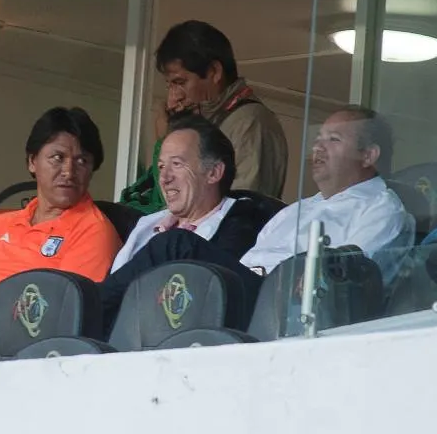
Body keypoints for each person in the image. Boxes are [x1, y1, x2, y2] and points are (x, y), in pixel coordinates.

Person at [103, 105, 409, 312]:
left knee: (177, 243)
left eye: (333, 140)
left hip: (281, 304)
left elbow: (348, 280)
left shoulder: (382, 210)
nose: (317, 148)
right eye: (318, 139)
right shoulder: (297, 209)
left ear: (369, 155)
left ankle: (93, 304)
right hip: (248, 292)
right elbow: (250, 261)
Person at [0, 107, 121, 302]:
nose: (69, 171)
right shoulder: (2, 224)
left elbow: (62, 315)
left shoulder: (94, 231)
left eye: (82, 161)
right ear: (32, 162)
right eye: (57, 158)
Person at [120, 21, 289, 211]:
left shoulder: (250, 123)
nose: (173, 99)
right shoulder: (215, 122)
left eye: (180, 82)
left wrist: (166, 142)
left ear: (214, 72)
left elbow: (238, 212)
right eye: (170, 85)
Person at [111, 115, 274, 271]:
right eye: (161, 167)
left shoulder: (240, 228)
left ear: (213, 172)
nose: (164, 178)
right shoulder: (146, 226)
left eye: (176, 164)